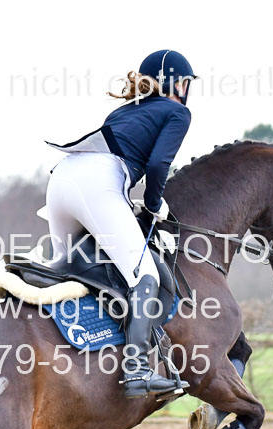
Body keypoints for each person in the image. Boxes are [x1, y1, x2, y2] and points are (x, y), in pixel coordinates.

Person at [44, 49, 196, 398]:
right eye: (186, 82)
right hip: (99, 181)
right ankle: (137, 369)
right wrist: (153, 206)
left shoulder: (127, 109)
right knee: (146, 275)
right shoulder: (178, 111)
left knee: (64, 272)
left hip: (61, 181)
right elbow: (159, 165)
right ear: (177, 83)